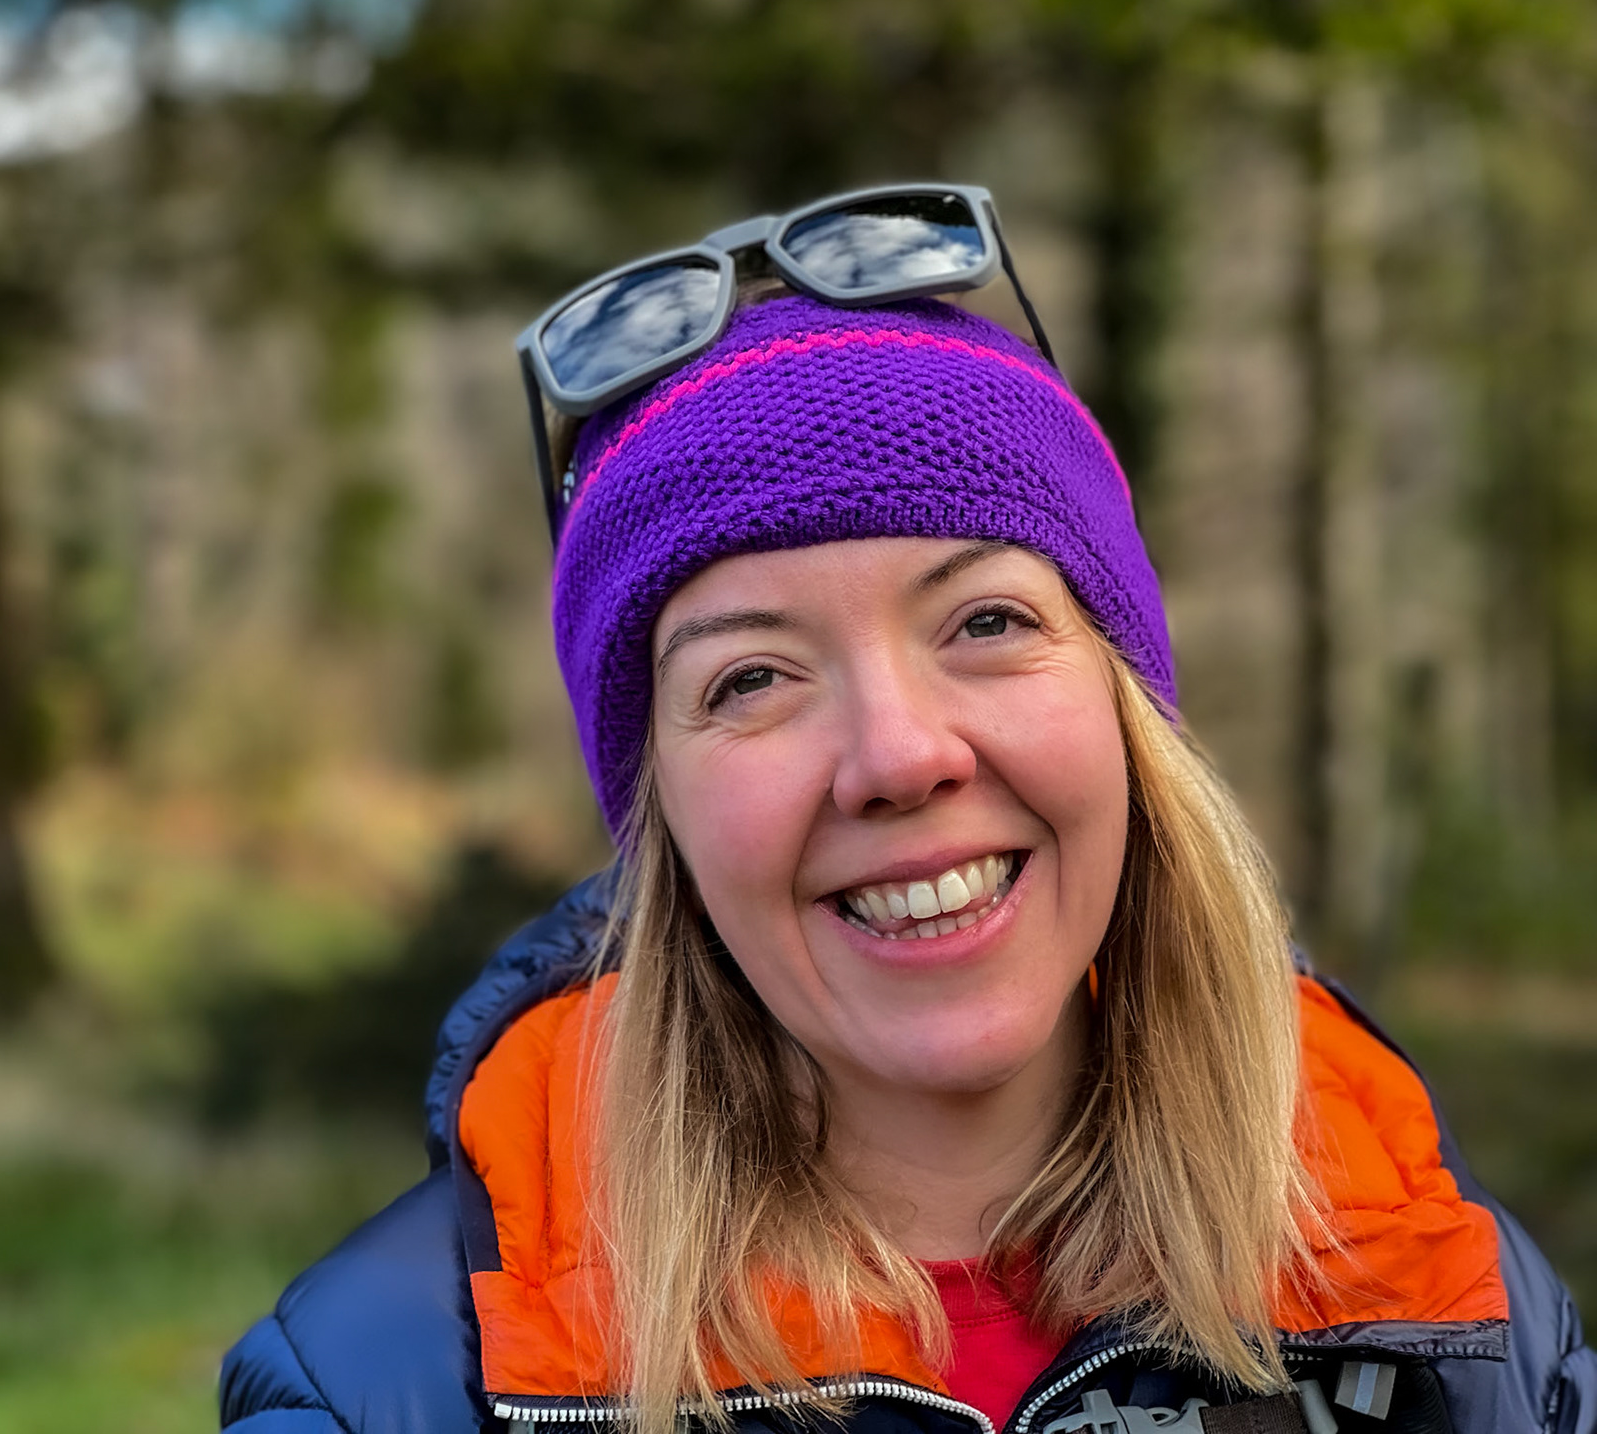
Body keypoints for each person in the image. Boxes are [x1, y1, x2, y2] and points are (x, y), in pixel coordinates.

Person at [219, 186, 1596, 1434]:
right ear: (660, 815)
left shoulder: (1439, 1287)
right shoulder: (393, 1384)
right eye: (753, 679)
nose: (897, 754)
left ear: (1126, 702)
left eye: (987, 620)